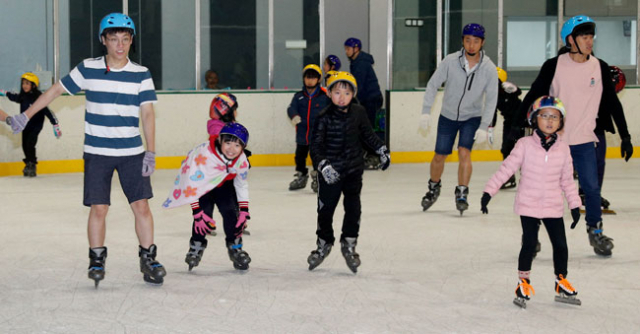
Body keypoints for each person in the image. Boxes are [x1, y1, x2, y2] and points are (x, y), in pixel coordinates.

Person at [5, 13, 166, 286]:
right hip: (97, 151)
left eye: (125, 39)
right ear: (103, 40)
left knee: (141, 206)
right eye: (114, 39)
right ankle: (96, 258)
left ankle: (148, 258)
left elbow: (148, 114)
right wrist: (27, 115)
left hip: (131, 152)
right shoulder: (88, 68)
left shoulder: (141, 73)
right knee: (99, 208)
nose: (120, 45)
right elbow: (54, 91)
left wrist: (150, 151)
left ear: (131, 41)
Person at [512, 15, 633, 256]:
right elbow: (533, 95)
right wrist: (516, 126)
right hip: (554, 142)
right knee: (542, 189)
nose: (590, 42)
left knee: (591, 188)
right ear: (570, 40)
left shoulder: (598, 66)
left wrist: (625, 135)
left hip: (585, 140)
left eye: (591, 37)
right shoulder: (554, 65)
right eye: (584, 37)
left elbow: (612, 103)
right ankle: (532, 236)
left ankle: (596, 232)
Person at [481, 96, 582, 308]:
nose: (549, 121)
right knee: (529, 244)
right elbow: (506, 169)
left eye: (554, 117)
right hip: (528, 204)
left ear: (561, 122)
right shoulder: (524, 145)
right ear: (534, 119)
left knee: (561, 246)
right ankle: (523, 283)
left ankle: (560, 282)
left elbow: (567, 181)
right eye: (544, 116)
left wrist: (574, 205)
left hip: (553, 206)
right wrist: (489, 191)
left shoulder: (563, 149)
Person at [307, 71, 390, 274]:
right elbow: (315, 145)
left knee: (353, 209)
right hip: (330, 173)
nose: (341, 96)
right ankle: (323, 243)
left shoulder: (359, 112)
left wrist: (381, 149)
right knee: (325, 211)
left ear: (353, 93)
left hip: (353, 170)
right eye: (337, 92)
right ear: (329, 94)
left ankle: (349, 244)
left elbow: (368, 135)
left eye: (346, 92)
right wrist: (324, 165)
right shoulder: (323, 117)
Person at [418, 23, 498, 215]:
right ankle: (433, 187)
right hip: (448, 116)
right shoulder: (450, 61)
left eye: (476, 41)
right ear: (462, 41)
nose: (471, 45)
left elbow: (492, 99)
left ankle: (462, 192)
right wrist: (426, 111)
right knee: (440, 155)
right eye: (468, 40)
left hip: (472, 117)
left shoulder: (489, 68)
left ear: (482, 43)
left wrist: (484, 126)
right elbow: (432, 84)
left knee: (464, 153)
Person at [163, 122, 252, 271]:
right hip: (201, 187)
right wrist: (196, 213)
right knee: (203, 216)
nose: (232, 149)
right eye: (228, 143)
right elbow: (190, 184)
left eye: (237, 145)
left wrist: (244, 210)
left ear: (243, 147)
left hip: (223, 186)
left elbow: (241, 185)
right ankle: (196, 246)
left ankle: (235, 247)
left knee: (231, 213)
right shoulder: (204, 155)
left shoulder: (242, 160)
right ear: (220, 140)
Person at [577, 65, 630, 213]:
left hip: (597, 129)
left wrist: (625, 137)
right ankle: (586, 194)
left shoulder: (605, 92)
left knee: (598, 163)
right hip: (582, 129)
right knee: (591, 163)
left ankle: (590, 194)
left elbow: (616, 111)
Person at [1, 72, 61, 177]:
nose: (24, 85)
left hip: (36, 126)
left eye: (27, 83)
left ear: (33, 85)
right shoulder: (23, 96)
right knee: (24, 145)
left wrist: (55, 125)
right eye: (23, 83)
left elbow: (48, 112)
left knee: (30, 143)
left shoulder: (39, 98)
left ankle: (32, 164)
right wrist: (4, 93)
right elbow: (14, 97)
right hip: (24, 125)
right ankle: (28, 163)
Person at [286, 64, 330, 192]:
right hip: (302, 134)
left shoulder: (324, 96)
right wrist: (294, 115)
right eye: (307, 77)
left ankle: (318, 177)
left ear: (318, 79)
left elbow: (331, 109)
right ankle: (301, 175)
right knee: (300, 156)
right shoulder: (299, 96)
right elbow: (291, 108)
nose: (310, 80)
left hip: (318, 135)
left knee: (317, 157)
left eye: (313, 77)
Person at [344, 37, 385, 169]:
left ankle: (375, 156)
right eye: (345, 49)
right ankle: (367, 153)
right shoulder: (356, 61)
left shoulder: (361, 63)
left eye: (348, 49)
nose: (346, 52)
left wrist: (349, 99)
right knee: (361, 128)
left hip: (370, 100)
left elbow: (358, 86)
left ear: (356, 49)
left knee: (366, 129)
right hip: (366, 100)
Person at [493, 67, 524, 190]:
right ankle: (509, 177)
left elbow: (519, 93)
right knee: (506, 149)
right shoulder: (492, 94)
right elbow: (492, 112)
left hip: (522, 120)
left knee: (526, 149)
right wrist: (490, 128)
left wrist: (514, 88)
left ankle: (529, 177)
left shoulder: (506, 89)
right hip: (509, 122)